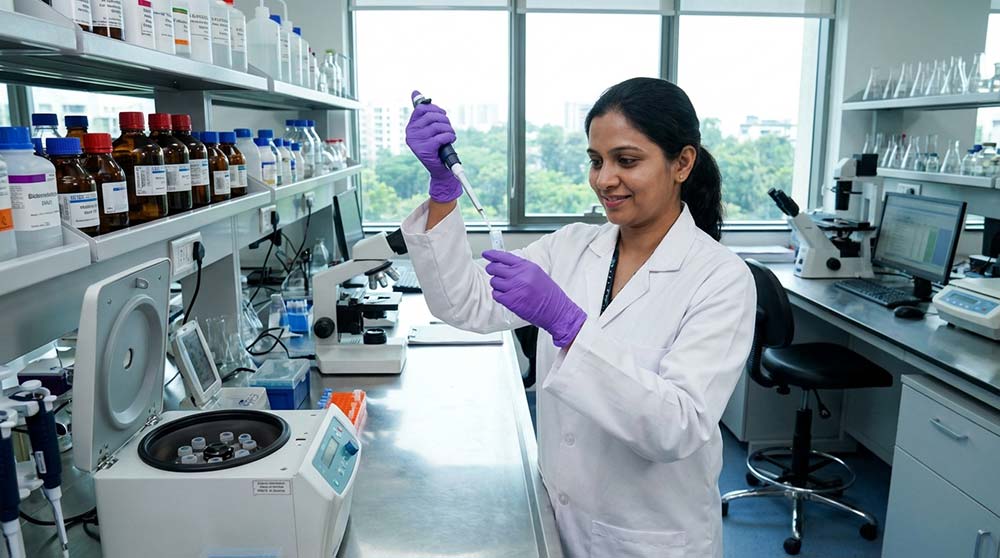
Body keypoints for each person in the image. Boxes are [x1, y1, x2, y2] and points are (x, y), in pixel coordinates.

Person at [400, 77, 756, 558]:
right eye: (596, 160)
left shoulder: (720, 278)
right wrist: (444, 192)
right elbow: (463, 303)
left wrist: (570, 326)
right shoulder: (570, 247)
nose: (604, 178)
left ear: (682, 163)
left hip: (652, 538)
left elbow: (678, 426)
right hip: (560, 518)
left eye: (626, 161)